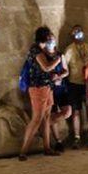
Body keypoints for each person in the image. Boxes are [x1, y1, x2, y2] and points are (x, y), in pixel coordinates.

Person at [18, 27, 62, 161]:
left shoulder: (42, 51)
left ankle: (47, 148)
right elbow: (46, 67)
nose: (51, 39)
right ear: (43, 38)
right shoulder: (36, 51)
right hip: (38, 88)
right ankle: (23, 151)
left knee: (46, 118)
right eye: (49, 37)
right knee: (37, 119)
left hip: (47, 87)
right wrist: (58, 60)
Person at [62, 25, 88, 148]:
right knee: (76, 112)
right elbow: (64, 67)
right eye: (76, 32)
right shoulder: (69, 50)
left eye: (80, 31)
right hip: (74, 84)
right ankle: (77, 137)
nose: (78, 34)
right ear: (72, 35)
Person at [48, 45, 71, 153]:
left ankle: (45, 123)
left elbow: (66, 71)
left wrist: (59, 76)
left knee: (67, 112)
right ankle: (58, 141)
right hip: (50, 89)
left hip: (61, 88)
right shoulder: (43, 56)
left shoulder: (60, 56)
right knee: (52, 113)